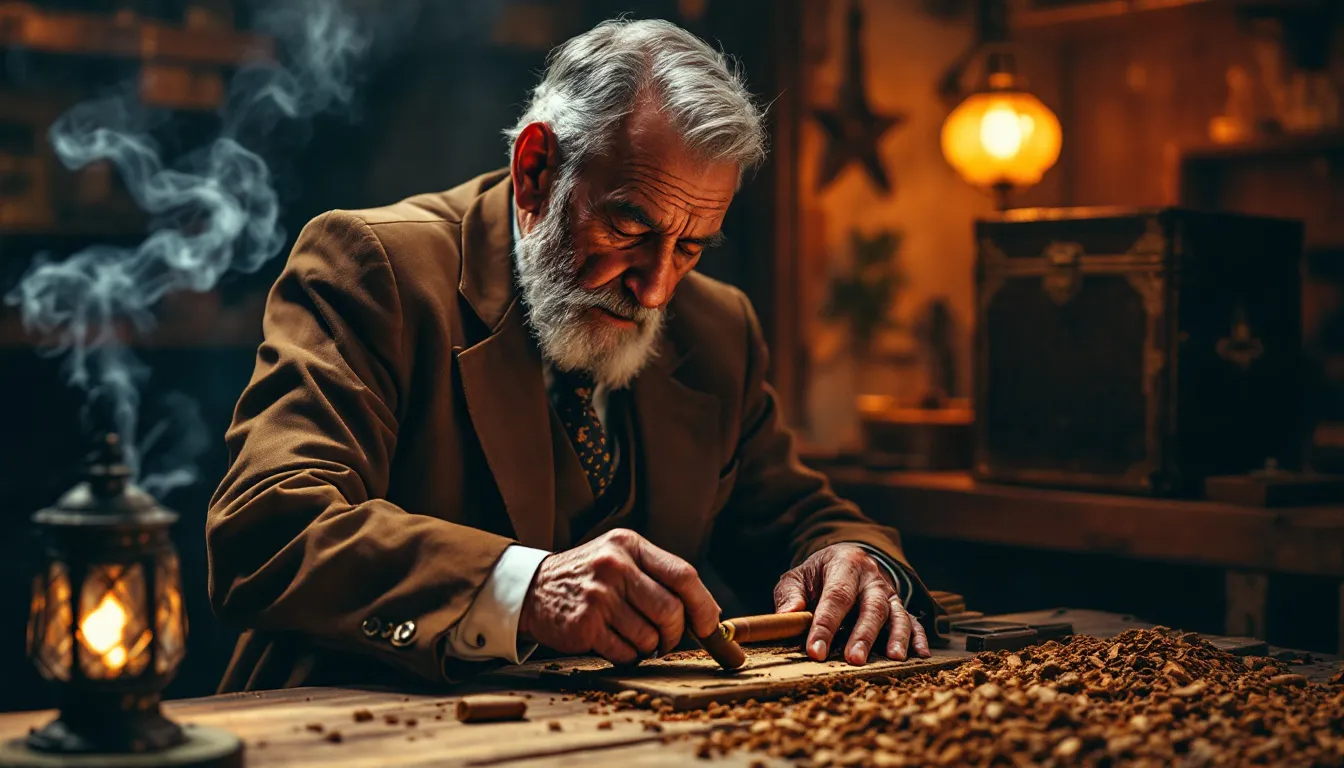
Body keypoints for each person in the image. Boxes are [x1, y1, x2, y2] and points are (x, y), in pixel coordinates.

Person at [206, 17, 932, 692]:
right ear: (535, 170)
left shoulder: (719, 328)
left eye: (689, 247)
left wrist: (858, 565)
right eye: (628, 225)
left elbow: (802, 515)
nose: (654, 291)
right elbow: (268, 527)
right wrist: (526, 589)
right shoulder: (375, 270)